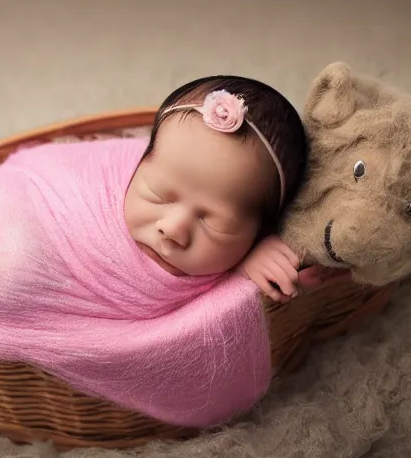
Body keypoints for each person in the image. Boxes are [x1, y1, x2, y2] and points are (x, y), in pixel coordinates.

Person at [124, 75, 312, 302]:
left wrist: (243, 269)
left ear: (260, 233)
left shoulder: (251, 249)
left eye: (216, 224)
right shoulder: (102, 185)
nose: (172, 229)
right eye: (158, 194)